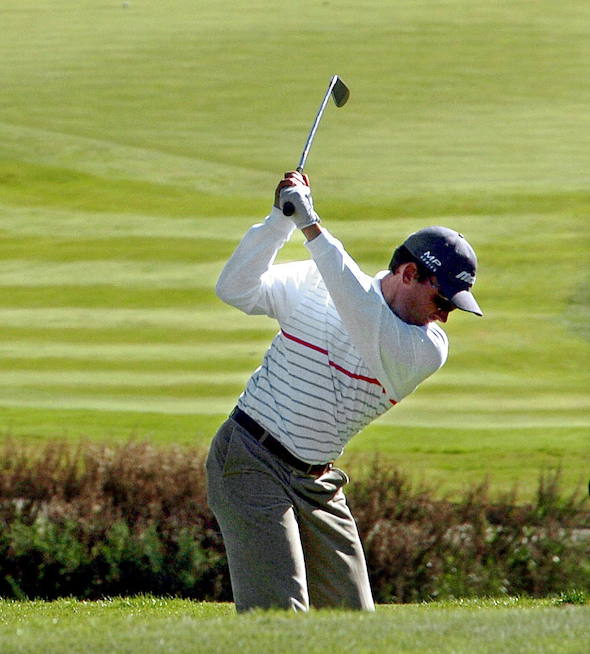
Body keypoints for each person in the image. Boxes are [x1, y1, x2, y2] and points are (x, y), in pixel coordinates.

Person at [205, 170, 482, 612]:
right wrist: (280, 219)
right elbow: (234, 289)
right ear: (409, 273)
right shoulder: (319, 282)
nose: (445, 317)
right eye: (443, 301)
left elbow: (362, 313)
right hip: (249, 457)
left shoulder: (426, 349)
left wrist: (310, 224)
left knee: (353, 623)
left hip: (317, 483)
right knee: (279, 617)